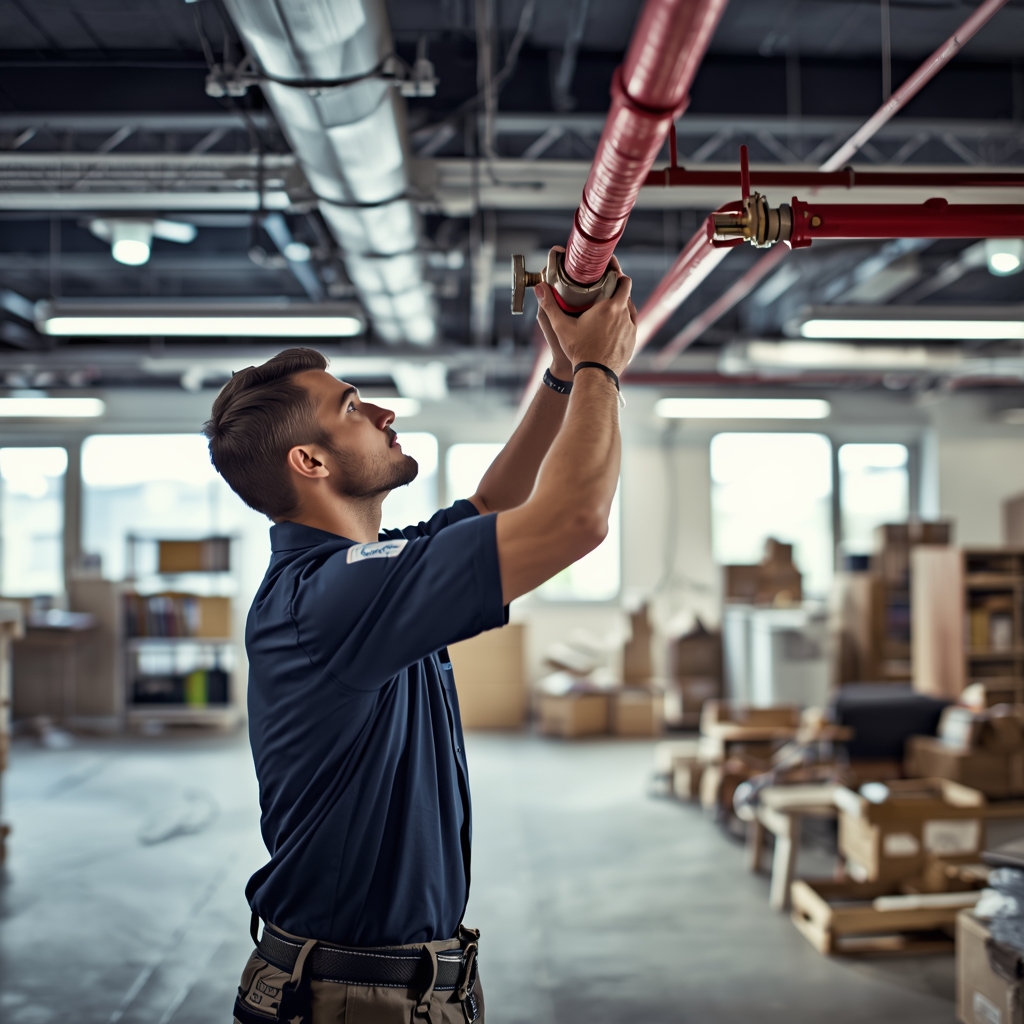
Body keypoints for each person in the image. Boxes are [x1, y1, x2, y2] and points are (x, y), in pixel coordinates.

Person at [203, 249, 636, 1024]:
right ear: (310, 461)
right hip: (350, 1001)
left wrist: (565, 375)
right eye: (353, 409)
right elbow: (574, 520)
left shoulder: (357, 574)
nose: (383, 413)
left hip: (383, 987)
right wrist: (605, 368)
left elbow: (495, 504)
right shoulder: (334, 598)